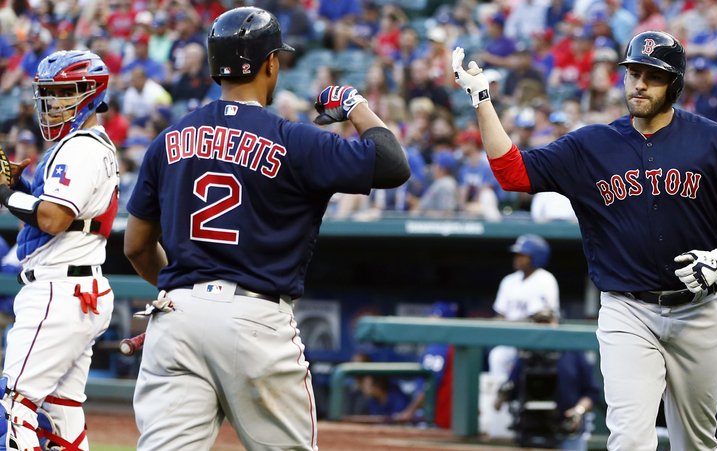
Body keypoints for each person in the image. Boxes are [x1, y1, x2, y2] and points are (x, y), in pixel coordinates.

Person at [453, 30, 717, 450]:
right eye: (633, 73)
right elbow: (513, 173)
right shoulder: (592, 144)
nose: (639, 83)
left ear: (675, 85)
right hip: (628, 310)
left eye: (653, 76)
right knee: (628, 439)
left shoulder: (713, 140)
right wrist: (482, 100)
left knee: (696, 443)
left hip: (699, 311)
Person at [123, 7, 410, 451]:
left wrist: (187, 298)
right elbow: (392, 164)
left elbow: (137, 246)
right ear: (271, 63)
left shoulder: (169, 138)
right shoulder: (295, 139)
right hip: (254, 320)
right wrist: (356, 105)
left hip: (175, 317)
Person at [0, 49, 119, 450]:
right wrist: (18, 191)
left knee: (12, 407)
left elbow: (52, 219)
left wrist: (3, 194)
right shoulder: (83, 145)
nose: (51, 104)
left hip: (59, 290)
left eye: (63, 93)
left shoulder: (81, 147)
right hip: (75, 289)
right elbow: (47, 218)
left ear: (91, 92)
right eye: (47, 94)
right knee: (59, 416)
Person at [494, 309, 600, 450]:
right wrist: (502, 395)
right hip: (531, 430)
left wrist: (578, 411)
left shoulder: (573, 353)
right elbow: (504, 397)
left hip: (565, 430)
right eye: (539, 323)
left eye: (547, 322)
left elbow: (591, 392)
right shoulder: (525, 356)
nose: (544, 328)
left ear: (556, 323)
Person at [489, 235, 560, 379]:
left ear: (536, 257)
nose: (517, 258)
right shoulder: (509, 281)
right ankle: (500, 398)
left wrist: (511, 324)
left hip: (536, 345)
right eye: (517, 254)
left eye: (523, 255)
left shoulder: (546, 280)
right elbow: (499, 316)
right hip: (510, 342)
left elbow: (541, 319)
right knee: (497, 355)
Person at [394, 301, 458, 428]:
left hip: (435, 416)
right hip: (446, 416)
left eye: (433, 317)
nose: (428, 320)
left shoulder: (439, 347)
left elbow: (428, 387)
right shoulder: (450, 345)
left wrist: (409, 412)